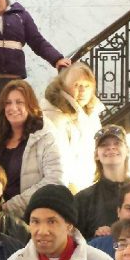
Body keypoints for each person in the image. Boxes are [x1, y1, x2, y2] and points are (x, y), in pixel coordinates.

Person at [0, 80, 65, 219]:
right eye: (8, 103)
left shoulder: (45, 135)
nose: (13, 108)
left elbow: (55, 180)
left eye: (19, 102)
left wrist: (11, 207)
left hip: (28, 218)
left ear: (30, 105)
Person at [42, 62, 104, 191]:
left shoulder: (91, 114)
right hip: (64, 189)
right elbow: (57, 159)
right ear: (63, 86)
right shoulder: (54, 115)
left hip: (85, 185)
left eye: (87, 86)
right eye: (77, 85)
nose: (82, 91)